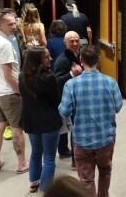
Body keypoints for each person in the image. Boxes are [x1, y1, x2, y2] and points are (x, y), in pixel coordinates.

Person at [58, 44, 123, 197]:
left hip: (81, 140)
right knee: (105, 171)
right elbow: (119, 107)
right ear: (99, 59)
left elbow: (64, 111)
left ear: (81, 60)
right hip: (105, 138)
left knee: (86, 179)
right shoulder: (110, 82)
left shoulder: (71, 84)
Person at [0, 10, 29, 174]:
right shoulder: (5, 45)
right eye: (10, 24)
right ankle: (22, 163)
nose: (14, 26)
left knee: (0, 127)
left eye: (14, 23)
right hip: (8, 93)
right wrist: (21, 92)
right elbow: (8, 75)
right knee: (17, 129)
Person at [19, 46, 62, 193]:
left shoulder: (21, 76)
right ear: (38, 60)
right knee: (49, 157)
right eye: (46, 57)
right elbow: (56, 101)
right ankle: (45, 189)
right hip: (49, 122)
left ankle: (34, 182)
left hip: (31, 121)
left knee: (36, 152)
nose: (50, 59)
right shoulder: (48, 77)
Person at [53, 31, 83, 161]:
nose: (75, 43)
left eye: (77, 40)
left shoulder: (75, 55)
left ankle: (64, 150)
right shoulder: (62, 60)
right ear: (65, 42)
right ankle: (73, 158)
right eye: (72, 41)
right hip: (65, 99)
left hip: (73, 97)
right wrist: (71, 74)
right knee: (70, 127)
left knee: (66, 127)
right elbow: (57, 81)